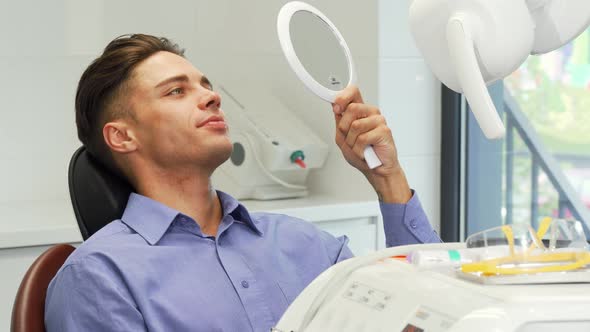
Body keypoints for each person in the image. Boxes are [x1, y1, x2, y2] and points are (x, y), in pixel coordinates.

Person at [45, 34, 440, 331]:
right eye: (177, 91)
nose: (211, 97)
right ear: (123, 137)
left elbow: (436, 314)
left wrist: (388, 179)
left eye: (206, 85)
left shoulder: (306, 245)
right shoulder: (98, 275)